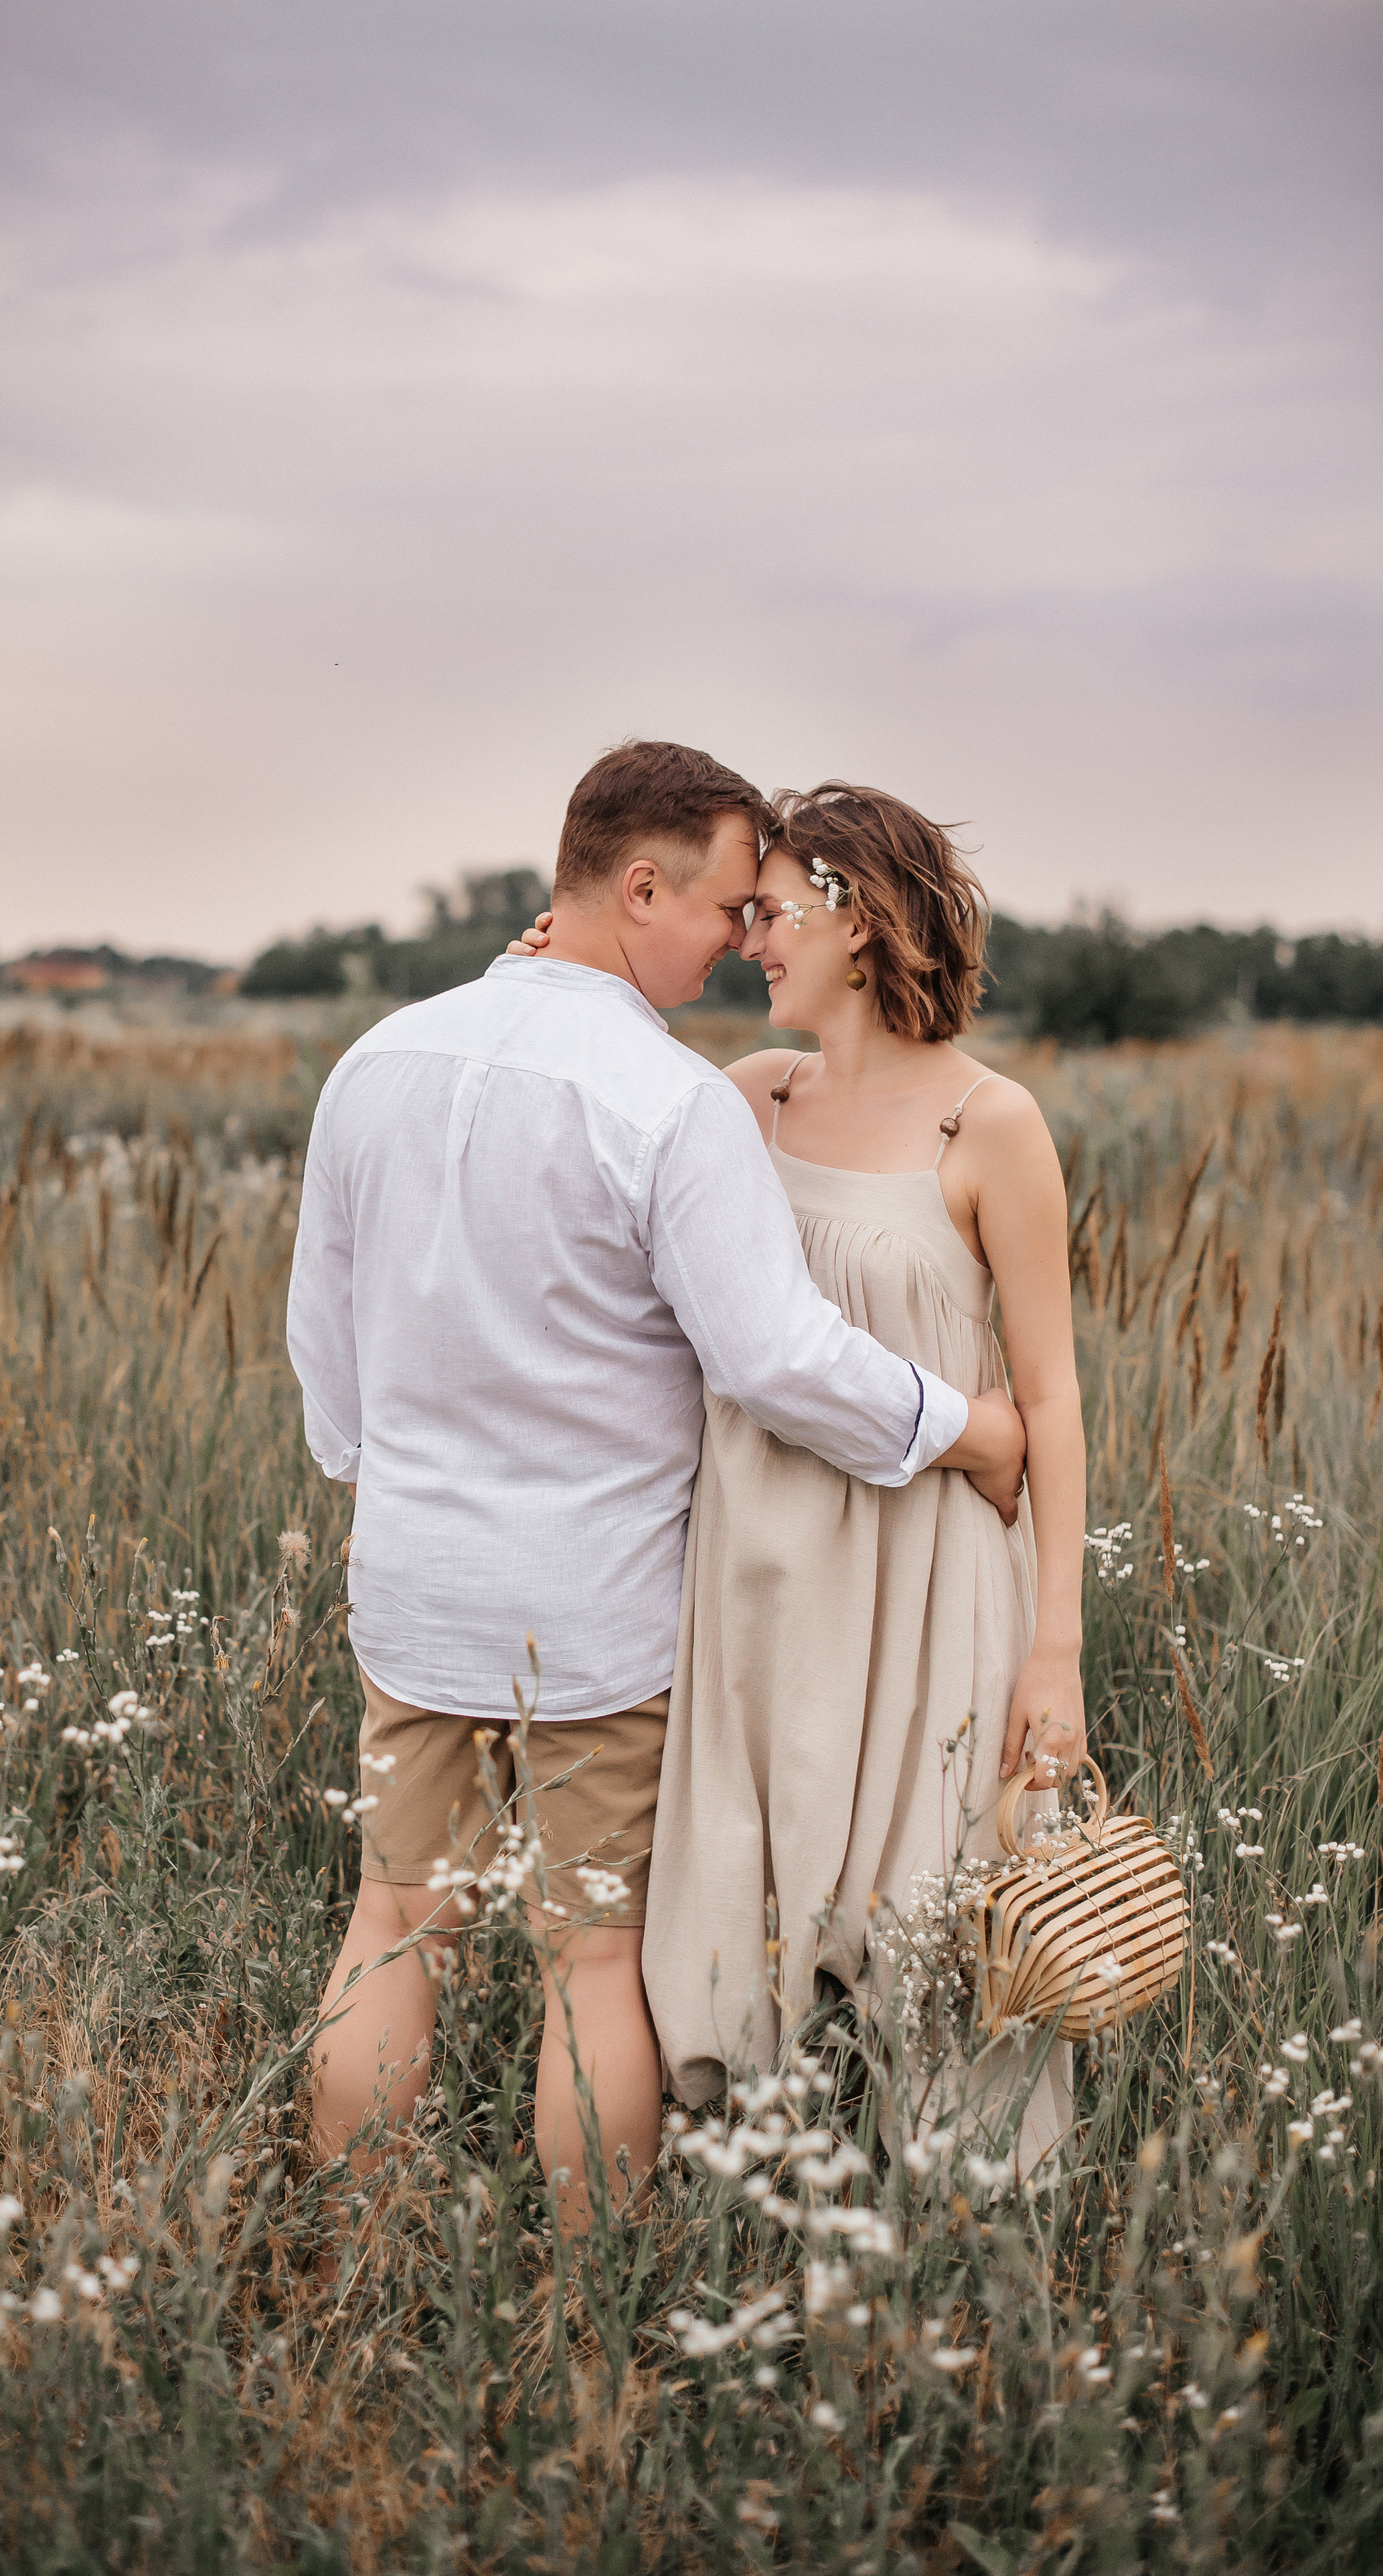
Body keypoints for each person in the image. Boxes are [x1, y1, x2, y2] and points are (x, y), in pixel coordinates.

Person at [286, 742, 1028, 2228]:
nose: (734, 938)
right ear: (638, 886)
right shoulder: (667, 1100)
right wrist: (965, 1430)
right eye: (718, 904)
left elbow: (326, 1350)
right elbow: (768, 1355)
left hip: (414, 1584)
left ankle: (348, 2259)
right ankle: (590, 2296)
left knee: (391, 1926)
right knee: (592, 1962)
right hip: (596, 1612)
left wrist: (403, 1493)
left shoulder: (377, 1059)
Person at [517, 781, 1084, 2171]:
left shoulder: (987, 1124)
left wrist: (1054, 1645)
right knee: (749, 1904)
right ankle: (765, 2195)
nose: (748, 941)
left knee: (933, 1900)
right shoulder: (747, 1099)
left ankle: (956, 2245)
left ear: (857, 916)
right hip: (758, 1572)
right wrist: (547, 989)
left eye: (769, 913)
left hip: (930, 1569)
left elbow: (1052, 1396)